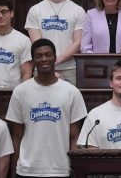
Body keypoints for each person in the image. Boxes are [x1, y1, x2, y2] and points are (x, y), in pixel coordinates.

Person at [6, 39, 87, 178]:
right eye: (39, 56)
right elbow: (16, 137)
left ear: (55, 57)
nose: (44, 59)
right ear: (33, 60)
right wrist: (13, 173)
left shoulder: (71, 92)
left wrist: (74, 169)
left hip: (61, 170)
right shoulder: (21, 91)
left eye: (48, 55)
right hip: (27, 170)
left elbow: (75, 138)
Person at [25, 0, 86, 85]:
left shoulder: (78, 11)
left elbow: (78, 43)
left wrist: (55, 61)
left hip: (69, 69)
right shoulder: (35, 10)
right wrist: (49, 64)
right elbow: (38, 43)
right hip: (42, 68)